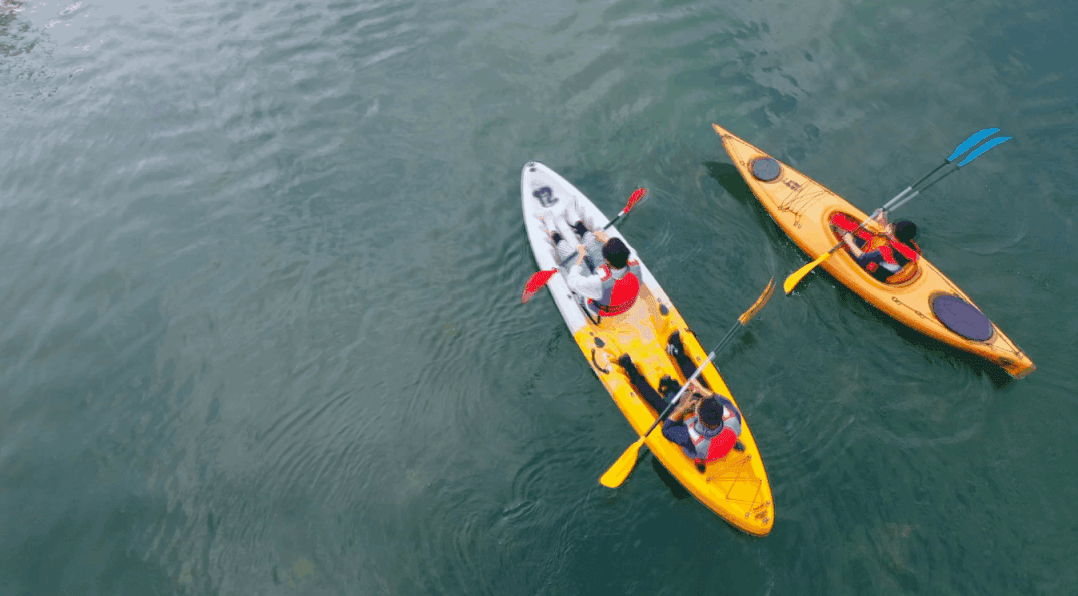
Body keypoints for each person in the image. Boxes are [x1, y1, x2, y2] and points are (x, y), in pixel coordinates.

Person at [616, 355, 745, 470]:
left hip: (701, 451)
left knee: (661, 407)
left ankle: (631, 370)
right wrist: (700, 389)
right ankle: (678, 354)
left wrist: (681, 409)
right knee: (700, 389)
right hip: (719, 436)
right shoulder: (733, 415)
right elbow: (714, 398)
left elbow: (667, 429)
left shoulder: (690, 438)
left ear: (699, 416)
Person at [833, 211, 920, 283]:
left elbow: (862, 257)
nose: (890, 224)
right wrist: (883, 222)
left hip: (880, 274)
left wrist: (848, 240)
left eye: (892, 225)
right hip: (899, 266)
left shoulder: (885, 251)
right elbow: (895, 240)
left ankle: (841, 233)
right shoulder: (910, 244)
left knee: (850, 241)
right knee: (870, 236)